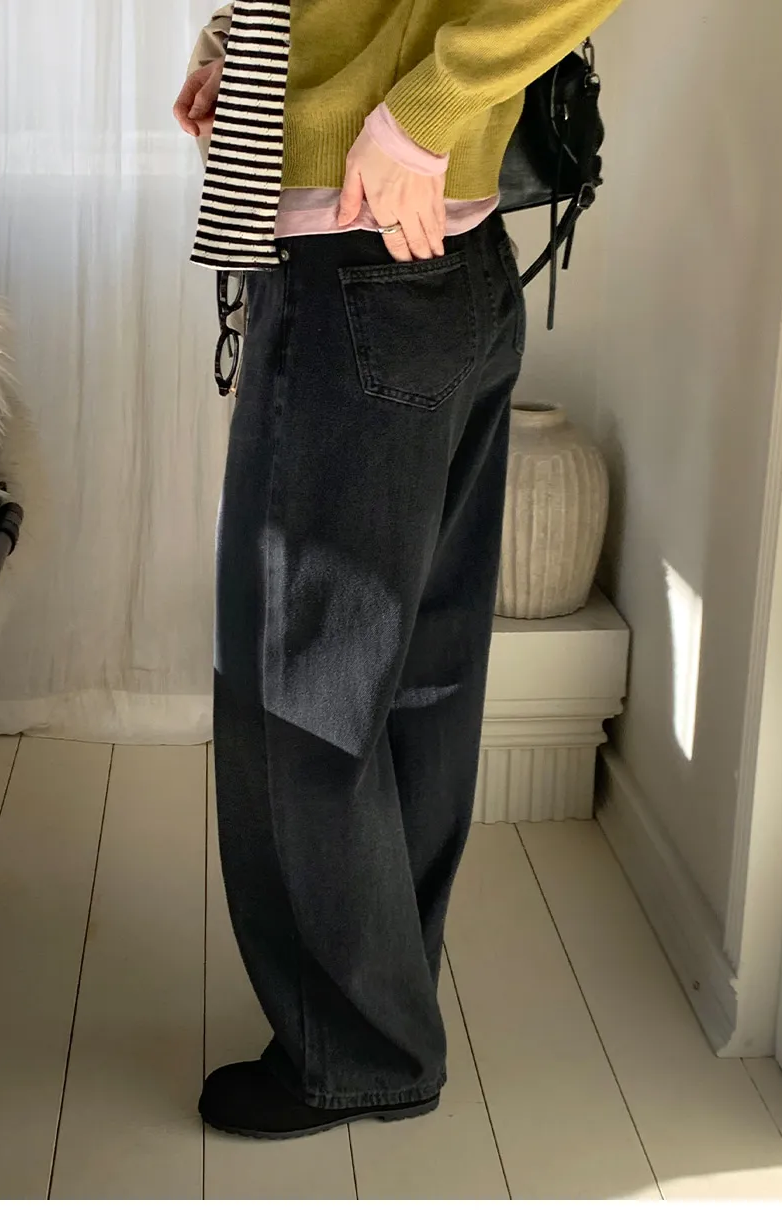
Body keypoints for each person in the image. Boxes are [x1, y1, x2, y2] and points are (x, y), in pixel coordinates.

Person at [174, 0, 622, 1141]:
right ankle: (382, 1023)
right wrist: (240, 43)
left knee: (296, 694)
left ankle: (357, 1051)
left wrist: (423, 113)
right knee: (415, 681)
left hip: (362, 266)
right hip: (434, 265)